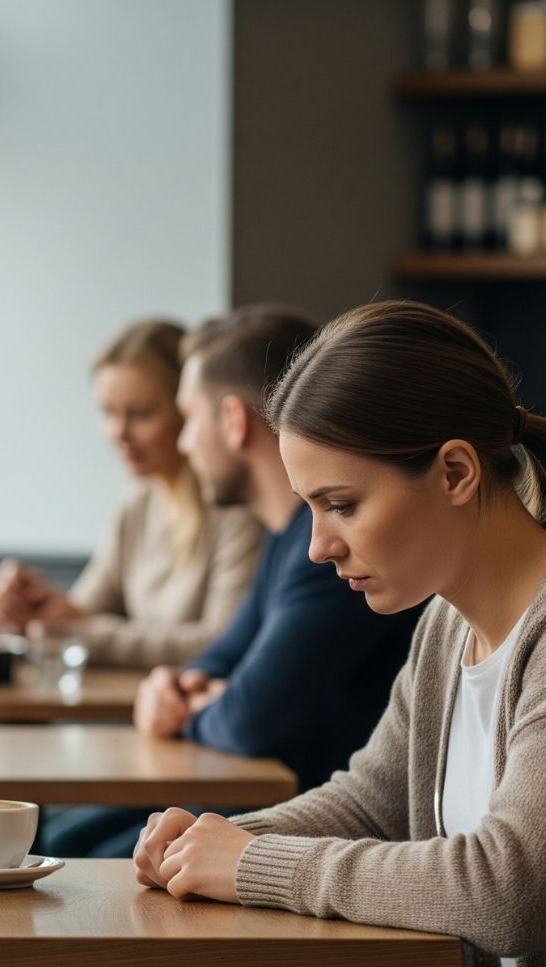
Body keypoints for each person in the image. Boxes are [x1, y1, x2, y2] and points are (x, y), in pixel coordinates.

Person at [118, 299, 546, 967]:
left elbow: (505, 889)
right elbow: (369, 801)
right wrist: (215, 841)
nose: (319, 545)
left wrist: (249, 866)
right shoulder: (446, 629)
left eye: (341, 505)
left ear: (455, 472)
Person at [44, 304, 422, 859]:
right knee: (68, 839)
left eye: (188, 419)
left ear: (231, 421)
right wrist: (180, 685)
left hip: (321, 812)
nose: (184, 443)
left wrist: (196, 706)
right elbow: (220, 660)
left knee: (89, 858)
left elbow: (251, 720)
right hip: (286, 797)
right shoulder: (287, 535)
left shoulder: (325, 552)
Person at [0, 318, 263, 668]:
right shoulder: (137, 504)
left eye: (140, 414)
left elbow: (221, 643)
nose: (117, 433)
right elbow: (85, 611)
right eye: (108, 412)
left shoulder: (235, 511)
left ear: (187, 411)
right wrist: (37, 606)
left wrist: (77, 630)